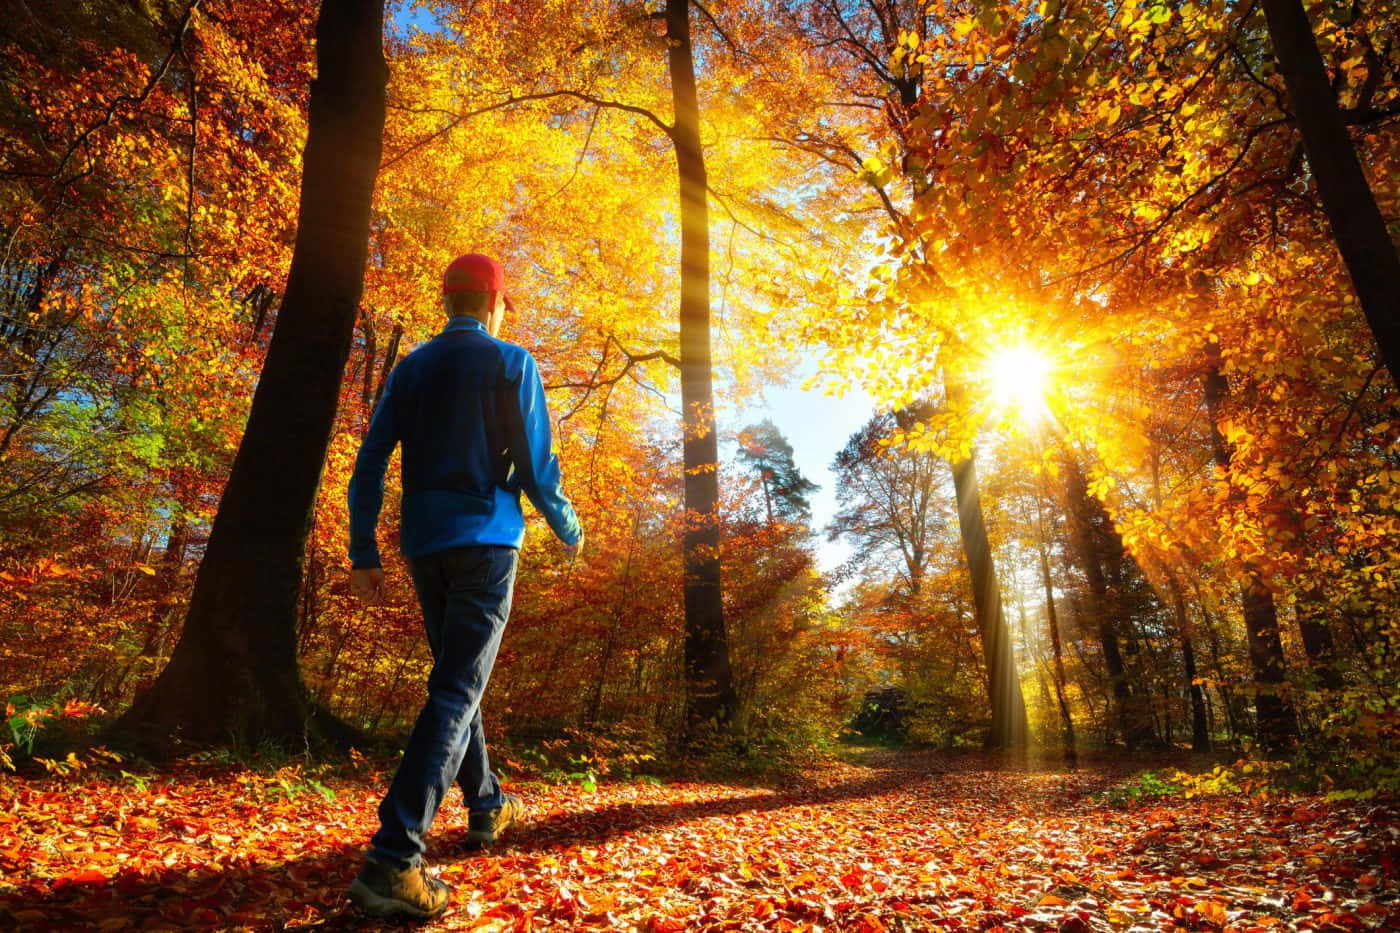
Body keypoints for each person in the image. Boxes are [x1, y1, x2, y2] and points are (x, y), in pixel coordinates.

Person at [344, 253, 584, 920]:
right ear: (496, 303)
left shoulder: (411, 368)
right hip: (487, 542)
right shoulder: (513, 363)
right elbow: (537, 465)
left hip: (425, 545)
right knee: (456, 687)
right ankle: (393, 857)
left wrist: (364, 549)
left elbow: (368, 464)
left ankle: (486, 805)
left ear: (449, 301)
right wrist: (569, 528)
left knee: (457, 680)